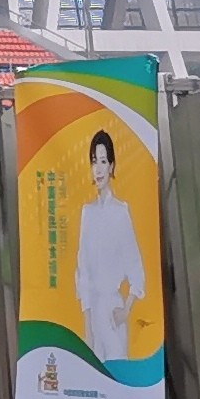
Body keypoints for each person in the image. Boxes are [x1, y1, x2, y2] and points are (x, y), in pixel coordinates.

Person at [76, 129, 146, 363]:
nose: (98, 169)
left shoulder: (120, 212)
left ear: (112, 166)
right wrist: (87, 325)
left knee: (117, 370)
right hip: (92, 314)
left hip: (113, 312)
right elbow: (83, 271)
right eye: (94, 161)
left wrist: (125, 311)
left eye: (103, 161)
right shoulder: (87, 213)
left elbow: (136, 269)